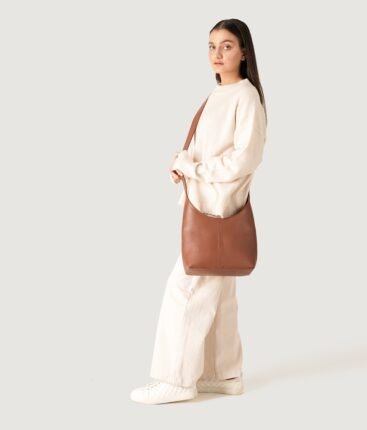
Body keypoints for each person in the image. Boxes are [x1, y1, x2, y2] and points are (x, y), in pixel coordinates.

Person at [130, 18, 268, 405]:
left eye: (226, 46)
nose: (217, 54)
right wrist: (184, 165)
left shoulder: (246, 97)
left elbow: (245, 158)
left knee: (185, 290)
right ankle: (223, 375)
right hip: (206, 203)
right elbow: (204, 151)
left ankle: (175, 380)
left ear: (244, 52)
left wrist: (196, 170)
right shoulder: (217, 96)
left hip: (219, 208)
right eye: (211, 46)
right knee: (219, 295)